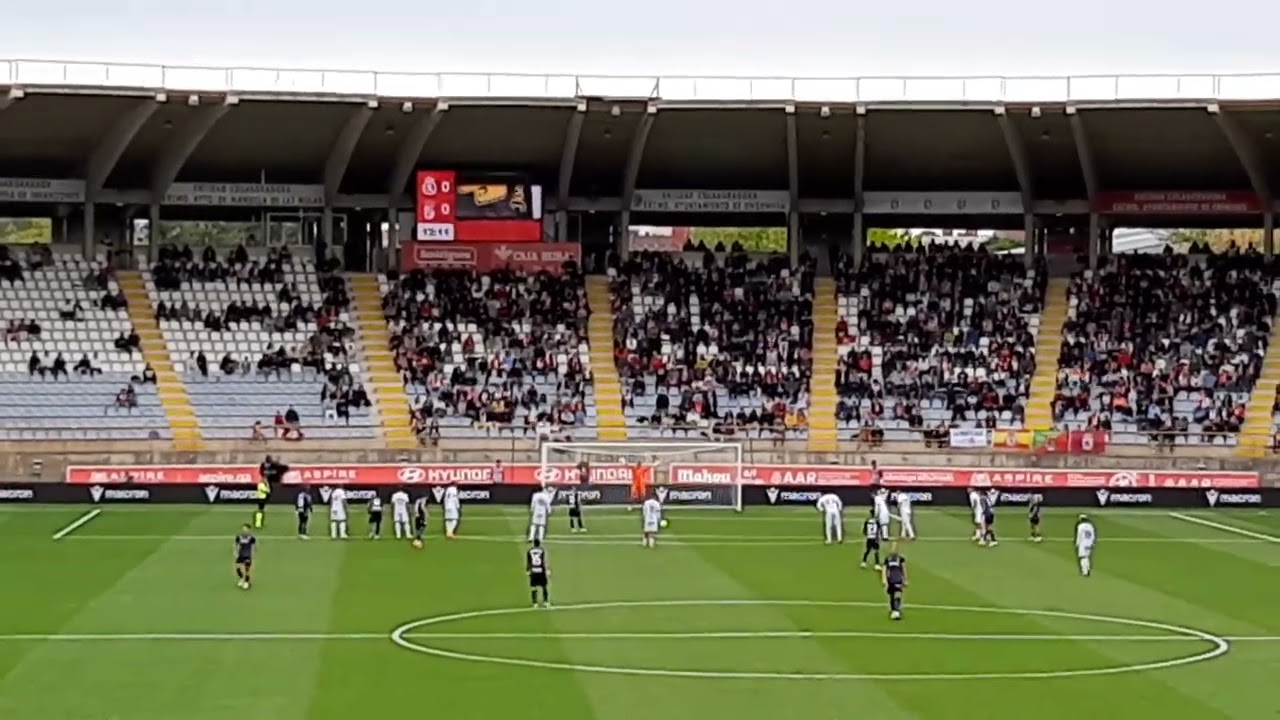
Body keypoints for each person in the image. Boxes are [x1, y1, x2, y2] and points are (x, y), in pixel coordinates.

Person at [882, 542, 908, 620]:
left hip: (898, 579)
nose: (894, 549)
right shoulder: (887, 558)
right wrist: (884, 579)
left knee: (898, 594)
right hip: (890, 580)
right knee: (891, 596)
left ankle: (897, 611)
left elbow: (904, 569)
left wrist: (905, 579)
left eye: (895, 547)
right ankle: (894, 610)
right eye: (893, 547)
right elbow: (884, 569)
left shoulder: (900, 558)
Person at [526, 538, 550, 608]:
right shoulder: (542, 550)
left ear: (534, 544)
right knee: (544, 586)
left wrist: (527, 570)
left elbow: (529, 562)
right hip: (540, 570)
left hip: (533, 570)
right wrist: (546, 570)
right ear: (539, 544)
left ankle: (535, 603)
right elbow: (543, 561)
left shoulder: (529, 551)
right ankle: (546, 602)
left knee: (533, 587)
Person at [234, 524, 256, 590]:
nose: (244, 530)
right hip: (240, 554)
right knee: (237, 567)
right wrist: (235, 552)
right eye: (243, 529)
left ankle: (246, 582)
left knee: (247, 569)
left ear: (249, 530)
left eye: (246, 529)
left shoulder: (251, 538)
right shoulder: (239, 537)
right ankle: (241, 578)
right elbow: (236, 544)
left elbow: (254, 546)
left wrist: (253, 554)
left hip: (247, 555)